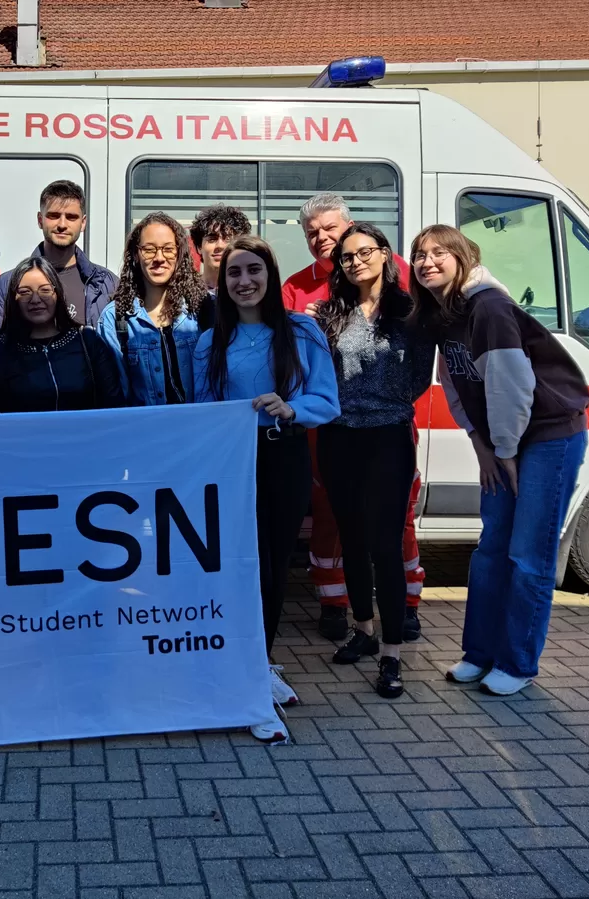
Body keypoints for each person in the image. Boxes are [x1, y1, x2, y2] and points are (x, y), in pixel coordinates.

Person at [409, 225, 589, 697]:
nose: (427, 262)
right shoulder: (443, 314)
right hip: (502, 441)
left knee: (528, 555)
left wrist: (504, 450)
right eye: (420, 255)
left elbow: (510, 385)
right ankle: (479, 654)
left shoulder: (488, 308)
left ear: (464, 257)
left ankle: (517, 663)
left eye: (439, 252)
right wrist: (480, 444)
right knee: (491, 550)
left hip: (548, 435)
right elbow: (454, 383)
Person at [192, 235, 339, 744]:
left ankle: (260, 664)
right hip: (233, 466)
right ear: (222, 282)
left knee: (274, 568)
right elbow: (203, 412)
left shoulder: (301, 331)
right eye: (234, 272)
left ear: (271, 276)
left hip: (284, 457)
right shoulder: (209, 343)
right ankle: (245, 668)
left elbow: (328, 400)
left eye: (254, 270)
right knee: (240, 570)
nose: (244, 281)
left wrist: (293, 408)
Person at [282, 193, 426, 643]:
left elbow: (421, 364)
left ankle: (406, 606)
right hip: (328, 429)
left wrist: (387, 400)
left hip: (389, 429)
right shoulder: (296, 287)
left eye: (330, 228)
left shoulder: (397, 273)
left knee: (397, 523)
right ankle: (335, 604)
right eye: (312, 233)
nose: (321, 238)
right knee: (332, 519)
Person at [314, 225, 435, 699]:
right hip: (338, 437)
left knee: (385, 545)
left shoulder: (411, 312)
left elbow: (419, 377)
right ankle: (362, 629)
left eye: (365, 252)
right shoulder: (330, 313)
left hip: (388, 436)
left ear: (385, 255)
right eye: (346, 257)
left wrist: (384, 402)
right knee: (351, 538)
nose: (356, 262)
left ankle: (391, 652)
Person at [0, 258, 125, 413]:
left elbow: (113, 408)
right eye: (25, 292)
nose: (35, 299)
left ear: (57, 294)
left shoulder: (89, 342)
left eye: (45, 290)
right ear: (13, 298)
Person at [98, 213, 209, 404]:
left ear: (179, 253)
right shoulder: (115, 318)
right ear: (135, 254)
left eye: (168, 249)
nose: (159, 258)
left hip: (198, 421)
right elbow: (115, 397)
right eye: (149, 250)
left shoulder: (200, 309)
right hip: (144, 423)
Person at [0, 180, 116, 329]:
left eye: (71, 217)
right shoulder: (7, 284)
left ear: (83, 223)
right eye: (54, 216)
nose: (62, 225)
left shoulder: (107, 284)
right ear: (40, 220)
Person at [190, 204, 252, 330]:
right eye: (212, 239)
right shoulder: (185, 294)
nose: (220, 246)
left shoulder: (251, 291)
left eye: (227, 239)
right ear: (199, 247)